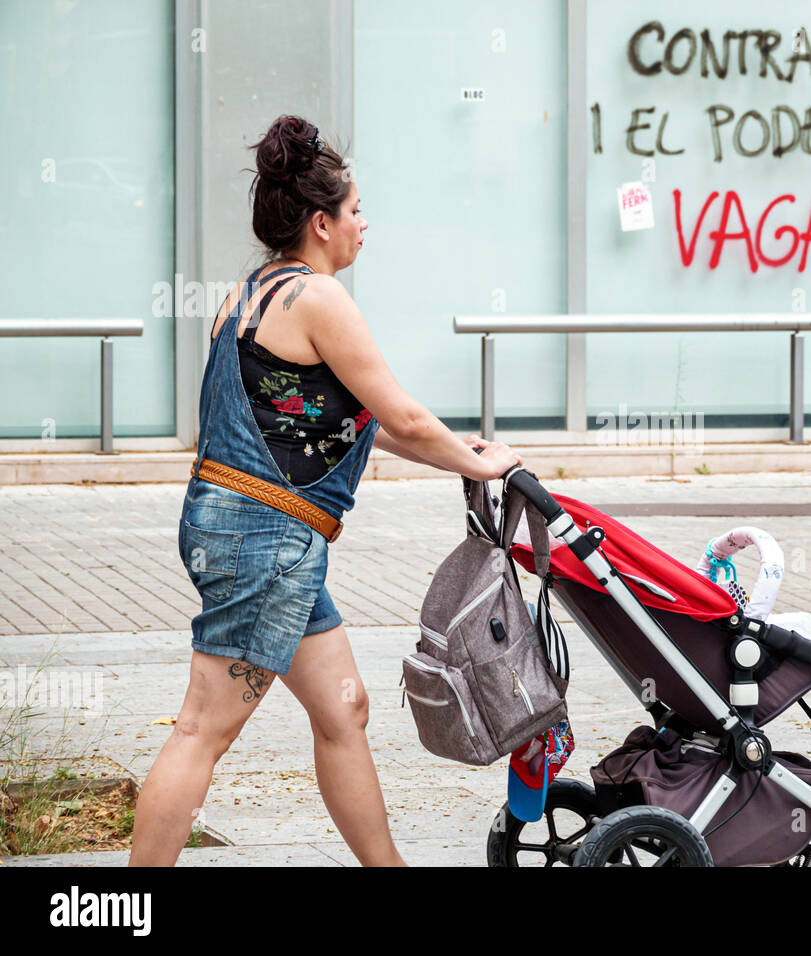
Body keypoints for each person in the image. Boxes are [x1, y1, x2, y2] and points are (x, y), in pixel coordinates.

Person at [128, 115, 519, 866]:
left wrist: (459, 452)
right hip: (267, 538)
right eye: (356, 210)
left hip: (250, 530)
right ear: (320, 222)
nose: (365, 224)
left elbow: (375, 423)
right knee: (201, 730)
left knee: (345, 708)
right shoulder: (319, 298)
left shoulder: (251, 293)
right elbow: (402, 411)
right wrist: (484, 467)